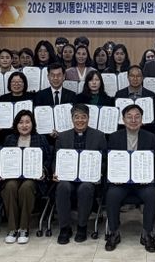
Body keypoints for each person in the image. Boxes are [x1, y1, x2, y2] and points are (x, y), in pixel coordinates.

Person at [104, 105, 155, 253]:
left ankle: (147, 233)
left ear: (142, 119)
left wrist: (147, 175)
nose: (133, 120)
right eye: (129, 117)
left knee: (152, 194)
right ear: (123, 120)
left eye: (137, 116)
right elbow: (110, 161)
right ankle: (114, 232)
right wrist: (114, 176)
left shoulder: (150, 137)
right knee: (112, 194)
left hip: (142, 182)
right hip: (121, 182)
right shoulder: (114, 137)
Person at [54, 104, 108, 244]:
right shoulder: (63, 136)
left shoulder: (99, 136)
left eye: (83, 117)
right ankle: (65, 228)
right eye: (76, 117)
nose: (80, 120)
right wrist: (56, 171)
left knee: (85, 187)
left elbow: (105, 160)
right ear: (72, 119)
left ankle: (82, 226)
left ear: (88, 118)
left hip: (89, 179)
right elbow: (56, 159)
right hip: (68, 178)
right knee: (62, 187)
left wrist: (98, 172)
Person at [0, 110, 51, 245]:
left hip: (33, 179)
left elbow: (48, 160)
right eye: (21, 122)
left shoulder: (40, 139)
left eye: (27, 122)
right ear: (16, 124)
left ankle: (23, 228)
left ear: (32, 124)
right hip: (13, 177)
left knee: (26, 187)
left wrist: (43, 171)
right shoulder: (10, 139)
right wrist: (1, 172)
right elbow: (3, 160)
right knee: (10, 186)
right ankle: (12, 229)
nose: (24, 125)